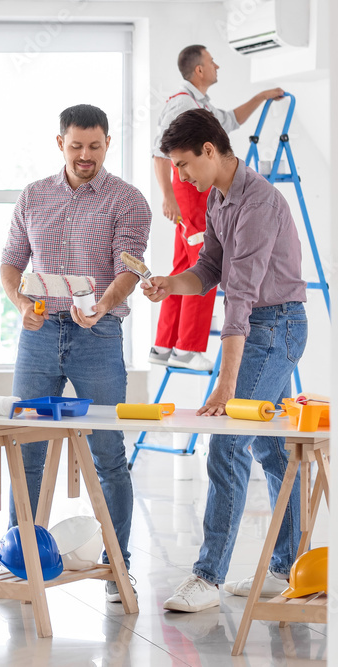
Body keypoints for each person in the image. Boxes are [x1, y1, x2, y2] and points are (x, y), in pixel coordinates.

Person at [146, 109, 306, 613]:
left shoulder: (258, 202)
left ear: (210, 151)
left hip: (274, 326)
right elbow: (210, 269)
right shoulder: (218, 197)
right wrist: (173, 285)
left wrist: (226, 383)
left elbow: (239, 297)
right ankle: (288, 569)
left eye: (184, 164)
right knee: (273, 451)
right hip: (261, 325)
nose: (180, 176)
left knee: (227, 443)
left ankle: (208, 577)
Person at [0, 104, 151, 602]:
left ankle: (117, 564)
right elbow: (10, 261)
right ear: (59, 143)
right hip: (39, 335)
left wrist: (105, 304)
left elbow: (130, 267)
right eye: (75, 146)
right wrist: (21, 303)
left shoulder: (128, 201)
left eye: (95, 146)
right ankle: (19, 560)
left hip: (98, 336)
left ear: (108, 142)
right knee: (27, 451)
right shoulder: (34, 196)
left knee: (109, 455)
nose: (85, 156)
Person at [150, 45, 284, 371]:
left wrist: (261, 97)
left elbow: (230, 120)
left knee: (183, 262)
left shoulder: (199, 102)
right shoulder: (183, 104)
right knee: (205, 261)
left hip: (190, 186)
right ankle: (188, 348)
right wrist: (169, 196)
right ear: (199, 70)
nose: (216, 65)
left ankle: (164, 344)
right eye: (211, 62)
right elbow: (161, 152)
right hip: (189, 188)